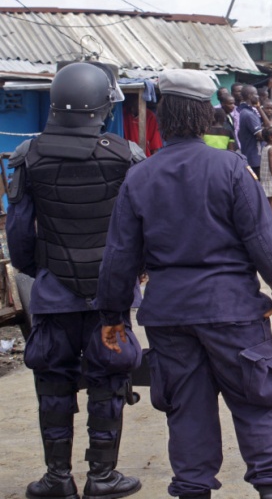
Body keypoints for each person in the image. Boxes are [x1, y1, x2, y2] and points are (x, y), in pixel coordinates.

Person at [96, 69, 272, 499]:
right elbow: (263, 243)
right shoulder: (230, 168)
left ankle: (193, 490)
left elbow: (120, 256)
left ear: (163, 117)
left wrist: (113, 313)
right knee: (259, 403)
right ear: (204, 116)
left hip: (169, 316)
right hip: (233, 311)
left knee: (187, 411)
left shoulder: (140, 176)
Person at [7, 62, 144, 499]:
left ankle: (57, 478)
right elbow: (140, 228)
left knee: (52, 384)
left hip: (53, 292)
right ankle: (102, 477)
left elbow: (18, 232)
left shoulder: (28, 155)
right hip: (111, 295)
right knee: (108, 382)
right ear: (102, 105)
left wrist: (39, 273)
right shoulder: (126, 154)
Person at [238, 85, 264, 178]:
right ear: (250, 96)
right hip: (254, 157)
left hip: (251, 155)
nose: (258, 97)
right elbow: (260, 135)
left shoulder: (244, 111)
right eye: (256, 94)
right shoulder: (248, 114)